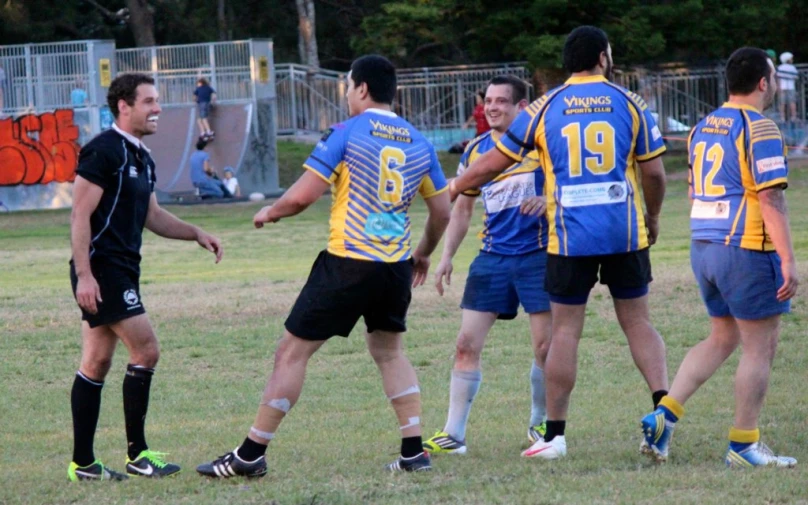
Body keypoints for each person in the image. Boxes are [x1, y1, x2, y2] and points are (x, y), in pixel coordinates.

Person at [197, 54, 451, 478]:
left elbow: (302, 196)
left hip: (348, 261)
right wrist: (422, 252)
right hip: (393, 268)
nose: (348, 95)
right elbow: (441, 211)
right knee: (389, 352)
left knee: (292, 353)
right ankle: (413, 451)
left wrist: (270, 213)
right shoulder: (418, 141)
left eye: (349, 87)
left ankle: (250, 454)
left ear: (362, 89)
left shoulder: (347, 133)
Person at [450, 26, 670, 460]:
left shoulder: (542, 107)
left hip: (569, 236)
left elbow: (490, 165)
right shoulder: (631, 104)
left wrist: (455, 184)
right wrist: (653, 216)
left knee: (566, 331)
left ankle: (555, 436)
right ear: (604, 58)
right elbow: (656, 174)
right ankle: (663, 415)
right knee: (639, 323)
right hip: (624, 231)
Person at [641, 47, 799, 468]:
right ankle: (744, 445)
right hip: (744, 248)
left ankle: (665, 416)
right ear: (765, 83)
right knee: (759, 347)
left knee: (723, 336)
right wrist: (788, 259)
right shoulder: (760, 127)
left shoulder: (702, 127)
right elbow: (769, 196)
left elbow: (695, 191)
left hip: (704, 246)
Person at [68, 73, 224, 481]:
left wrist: (196, 233)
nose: (158, 109)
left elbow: (153, 216)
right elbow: (80, 214)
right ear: (124, 105)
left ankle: (83, 465)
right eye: (149, 101)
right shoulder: (103, 151)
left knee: (97, 361)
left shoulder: (141, 156)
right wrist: (85, 275)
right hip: (102, 270)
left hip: (121, 271)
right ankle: (138, 456)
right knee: (147, 350)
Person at [422, 75, 552, 456]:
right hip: (492, 258)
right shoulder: (476, 150)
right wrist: (446, 257)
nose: (492, 107)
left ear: (521, 106)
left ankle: (540, 422)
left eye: (501, 101)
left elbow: (568, 185)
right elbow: (461, 208)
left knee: (545, 348)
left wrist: (549, 201)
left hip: (539, 256)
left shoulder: (541, 146)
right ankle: (454, 435)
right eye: (488, 101)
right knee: (465, 344)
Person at [776, 52, 799, 123]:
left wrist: (778, 87)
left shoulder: (780, 67)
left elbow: (778, 77)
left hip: (782, 87)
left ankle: (782, 117)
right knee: (792, 102)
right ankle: (793, 117)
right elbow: (796, 77)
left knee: (782, 103)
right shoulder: (792, 67)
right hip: (791, 87)